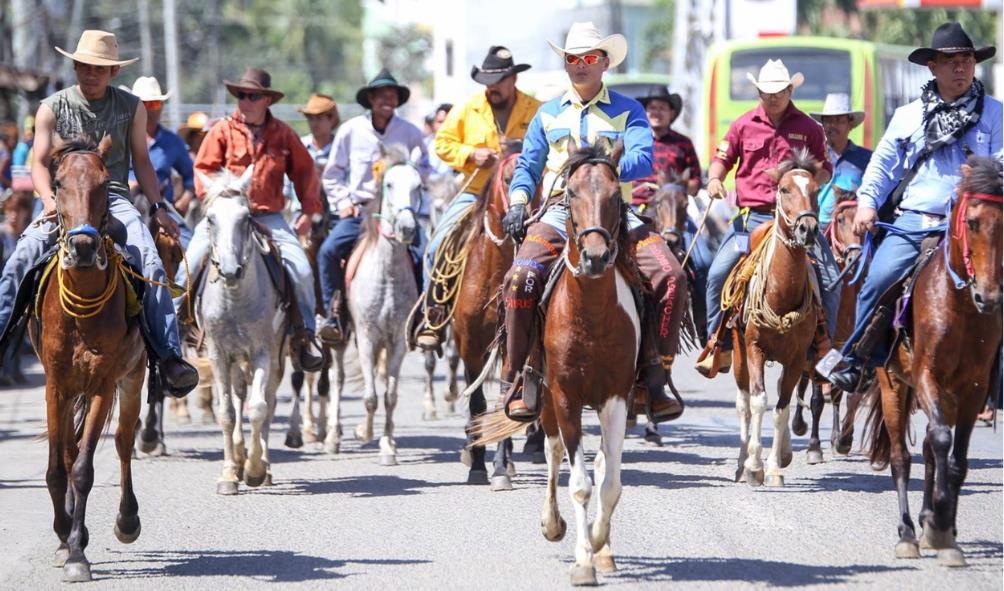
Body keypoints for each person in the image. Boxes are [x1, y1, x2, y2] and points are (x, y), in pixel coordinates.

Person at [499, 22, 687, 422]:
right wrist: (518, 201)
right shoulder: (546, 114)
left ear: (604, 63)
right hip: (558, 212)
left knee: (672, 276)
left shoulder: (629, 110)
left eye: (588, 58)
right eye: (572, 59)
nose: (580, 65)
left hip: (615, 211)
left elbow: (642, 158)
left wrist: (601, 163)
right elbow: (529, 166)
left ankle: (655, 374)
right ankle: (520, 377)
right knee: (520, 278)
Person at [0, 30, 199, 394]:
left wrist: (157, 208)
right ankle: (2, 339)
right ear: (75, 66)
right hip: (62, 201)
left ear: (113, 72)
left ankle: (169, 356)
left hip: (114, 198)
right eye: (84, 66)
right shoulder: (51, 107)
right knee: (20, 258)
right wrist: (47, 199)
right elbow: (39, 163)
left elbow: (142, 162)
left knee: (151, 263)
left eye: (99, 68)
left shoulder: (131, 107)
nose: (90, 74)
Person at [825, 22, 1002, 393]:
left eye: (967, 60)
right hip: (917, 222)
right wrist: (868, 204)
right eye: (950, 61)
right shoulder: (908, 116)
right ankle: (858, 360)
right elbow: (883, 166)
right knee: (876, 279)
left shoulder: (995, 114)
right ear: (932, 67)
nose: (960, 68)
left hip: (979, 226)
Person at [695, 58, 839, 377]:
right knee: (717, 273)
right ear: (758, 91)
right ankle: (715, 344)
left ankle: (827, 350)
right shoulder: (742, 125)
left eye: (778, 91)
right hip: (754, 219)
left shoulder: (809, 129)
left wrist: (815, 180)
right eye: (765, 92)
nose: (772, 97)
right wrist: (715, 179)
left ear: (790, 90)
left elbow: (825, 166)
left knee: (830, 278)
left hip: (798, 222)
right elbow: (722, 160)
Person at [184, 67, 326, 372]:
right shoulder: (221, 131)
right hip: (225, 215)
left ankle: (304, 335)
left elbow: (306, 174)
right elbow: (203, 170)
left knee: (301, 269)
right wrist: (218, 197)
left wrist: (308, 212)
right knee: (189, 263)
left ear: (266, 101)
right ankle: (175, 335)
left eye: (252, 96)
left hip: (269, 216)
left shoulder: (284, 135)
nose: (244, 101)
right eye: (242, 95)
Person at [413, 45, 541, 350]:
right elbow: (442, 144)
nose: (492, 87)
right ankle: (435, 315)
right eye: (487, 81)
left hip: (527, 197)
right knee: (438, 243)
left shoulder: (536, 109)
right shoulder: (468, 108)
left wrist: (523, 151)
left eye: (498, 80)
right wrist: (470, 154)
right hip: (476, 193)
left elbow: (552, 144)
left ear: (513, 80)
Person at [316, 69, 430, 344]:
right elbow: (332, 174)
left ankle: (424, 317)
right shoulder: (350, 130)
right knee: (328, 251)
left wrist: (411, 180)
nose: (387, 101)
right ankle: (334, 315)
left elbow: (425, 167)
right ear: (370, 99)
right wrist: (343, 203)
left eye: (392, 96)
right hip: (361, 210)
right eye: (381, 96)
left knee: (425, 252)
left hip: (399, 213)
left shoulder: (411, 133)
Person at [127, 76, 195, 247]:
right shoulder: (120, 136)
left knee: (190, 247)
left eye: (155, 104)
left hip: (163, 207)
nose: (150, 110)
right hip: (126, 206)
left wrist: (184, 201)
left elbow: (191, 176)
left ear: (162, 106)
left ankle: (186, 274)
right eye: (144, 104)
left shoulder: (172, 141)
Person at [810, 93, 873, 227]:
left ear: (850, 125)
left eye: (839, 121)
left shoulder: (867, 159)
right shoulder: (812, 157)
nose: (832, 125)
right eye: (828, 121)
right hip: (815, 228)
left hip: (850, 230)